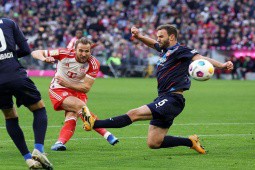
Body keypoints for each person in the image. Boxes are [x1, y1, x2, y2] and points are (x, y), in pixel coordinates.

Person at [82, 24, 234, 153]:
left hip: (172, 99)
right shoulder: (166, 51)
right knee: (154, 143)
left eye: (161, 36)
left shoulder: (181, 50)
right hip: (164, 99)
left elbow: (200, 58)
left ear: (172, 37)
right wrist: (139, 36)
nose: (158, 39)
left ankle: (94, 123)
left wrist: (221, 65)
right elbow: (152, 44)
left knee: (134, 114)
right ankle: (190, 142)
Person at [31, 37, 119, 151]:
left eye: (86, 51)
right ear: (75, 49)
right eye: (81, 50)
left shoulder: (94, 63)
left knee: (72, 116)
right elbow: (35, 52)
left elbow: (86, 88)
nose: (83, 54)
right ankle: (106, 133)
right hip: (58, 89)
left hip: (77, 91)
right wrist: (44, 58)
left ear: (90, 51)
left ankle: (59, 143)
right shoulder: (64, 53)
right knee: (80, 107)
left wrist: (67, 84)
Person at [0, 18, 53, 169]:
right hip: (14, 74)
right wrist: (9, 56)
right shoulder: (9, 23)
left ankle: (28, 158)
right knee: (39, 108)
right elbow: (25, 49)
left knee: (10, 116)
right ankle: (39, 149)